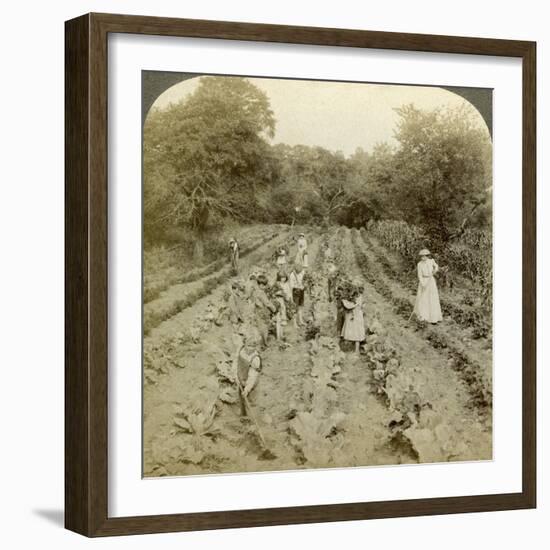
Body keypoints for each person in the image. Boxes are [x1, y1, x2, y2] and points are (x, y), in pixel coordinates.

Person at [232, 331, 262, 416]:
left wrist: (247, 389)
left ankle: (252, 419)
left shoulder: (255, 359)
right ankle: (243, 415)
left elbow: (252, 376)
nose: (250, 348)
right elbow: (236, 361)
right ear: (244, 343)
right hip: (241, 378)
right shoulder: (241, 350)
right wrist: (235, 374)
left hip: (251, 383)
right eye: (248, 346)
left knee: (250, 400)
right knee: (241, 397)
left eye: (253, 346)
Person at [413, 249, 443, 324]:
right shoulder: (419, 264)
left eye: (425, 256)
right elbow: (419, 275)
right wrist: (423, 284)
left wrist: (434, 271)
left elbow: (436, 267)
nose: (423, 257)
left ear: (427, 256)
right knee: (424, 299)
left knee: (432, 298)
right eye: (422, 256)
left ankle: (433, 318)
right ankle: (424, 316)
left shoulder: (431, 261)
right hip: (424, 281)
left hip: (431, 281)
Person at [341, 281, 366, 355]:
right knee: (351, 330)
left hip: (356, 315)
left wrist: (344, 301)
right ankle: (350, 347)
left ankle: (356, 350)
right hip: (354, 315)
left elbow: (351, 305)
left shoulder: (358, 297)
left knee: (356, 331)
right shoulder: (356, 296)